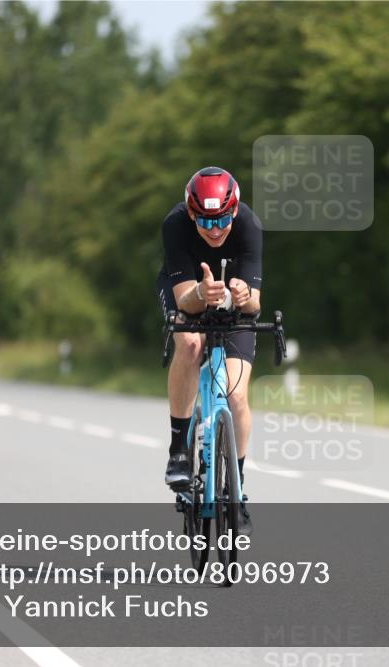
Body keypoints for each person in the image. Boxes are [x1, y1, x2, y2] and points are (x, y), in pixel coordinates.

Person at [157, 166, 263, 535]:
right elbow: (184, 299)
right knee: (189, 343)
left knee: (237, 398)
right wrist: (202, 294)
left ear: (235, 211)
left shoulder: (249, 224)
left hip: (235, 303)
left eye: (221, 219)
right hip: (189, 293)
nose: (214, 228)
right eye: (203, 219)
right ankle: (179, 451)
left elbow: (255, 306)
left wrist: (244, 297)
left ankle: (237, 489)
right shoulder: (175, 225)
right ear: (190, 212)